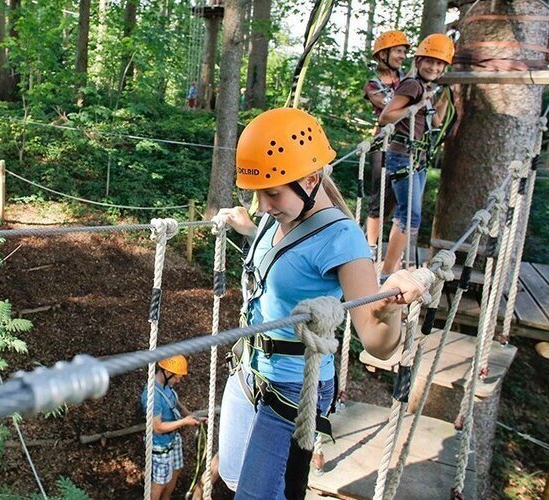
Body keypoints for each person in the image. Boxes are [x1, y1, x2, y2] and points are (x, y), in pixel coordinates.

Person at [214, 107, 427, 499]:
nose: (262, 205)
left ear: (311, 180)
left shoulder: (344, 240)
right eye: (257, 193)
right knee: (228, 476)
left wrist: (389, 307)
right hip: (248, 368)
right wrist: (249, 231)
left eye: (272, 193)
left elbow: (378, 343)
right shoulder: (275, 219)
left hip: (294, 386)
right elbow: (286, 268)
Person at [377, 33, 454, 276]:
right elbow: (385, 116)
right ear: (418, 62)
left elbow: (437, 121)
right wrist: (416, 106)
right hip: (403, 157)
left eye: (439, 63)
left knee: (410, 216)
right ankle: (388, 272)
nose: (433, 67)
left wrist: (442, 98)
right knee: (408, 215)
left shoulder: (427, 89)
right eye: (429, 61)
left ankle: (393, 265)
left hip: (418, 159)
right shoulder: (412, 85)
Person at [364, 31, 410, 254]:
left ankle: (391, 251)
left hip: (405, 146)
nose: (402, 56)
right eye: (398, 51)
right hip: (383, 145)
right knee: (378, 198)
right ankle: (370, 248)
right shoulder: (372, 85)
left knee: (397, 201)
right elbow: (389, 110)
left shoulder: (408, 80)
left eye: (404, 52)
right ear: (384, 54)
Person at [141, 355, 203, 500]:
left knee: (176, 469)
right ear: (167, 373)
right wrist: (184, 422)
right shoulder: (152, 396)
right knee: (159, 483)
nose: (179, 380)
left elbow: (176, 403)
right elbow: (157, 427)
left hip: (173, 438)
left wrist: (191, 416)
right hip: (160, 445)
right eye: (177, 377)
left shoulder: (167, 386)